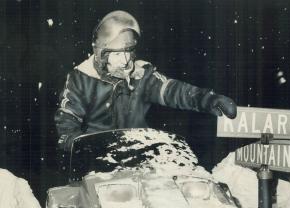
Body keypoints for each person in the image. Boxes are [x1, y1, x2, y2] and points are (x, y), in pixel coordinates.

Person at [55, 10, 237, 151]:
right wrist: (74, 141)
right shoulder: (80, 79)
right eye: (117, 54)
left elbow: (173, 90)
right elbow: (68, 119)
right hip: (95, 162)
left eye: (128, 52)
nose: (125, 61)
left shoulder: (141, 75)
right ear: (101, 54)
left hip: (137, 156)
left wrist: (207, 99)